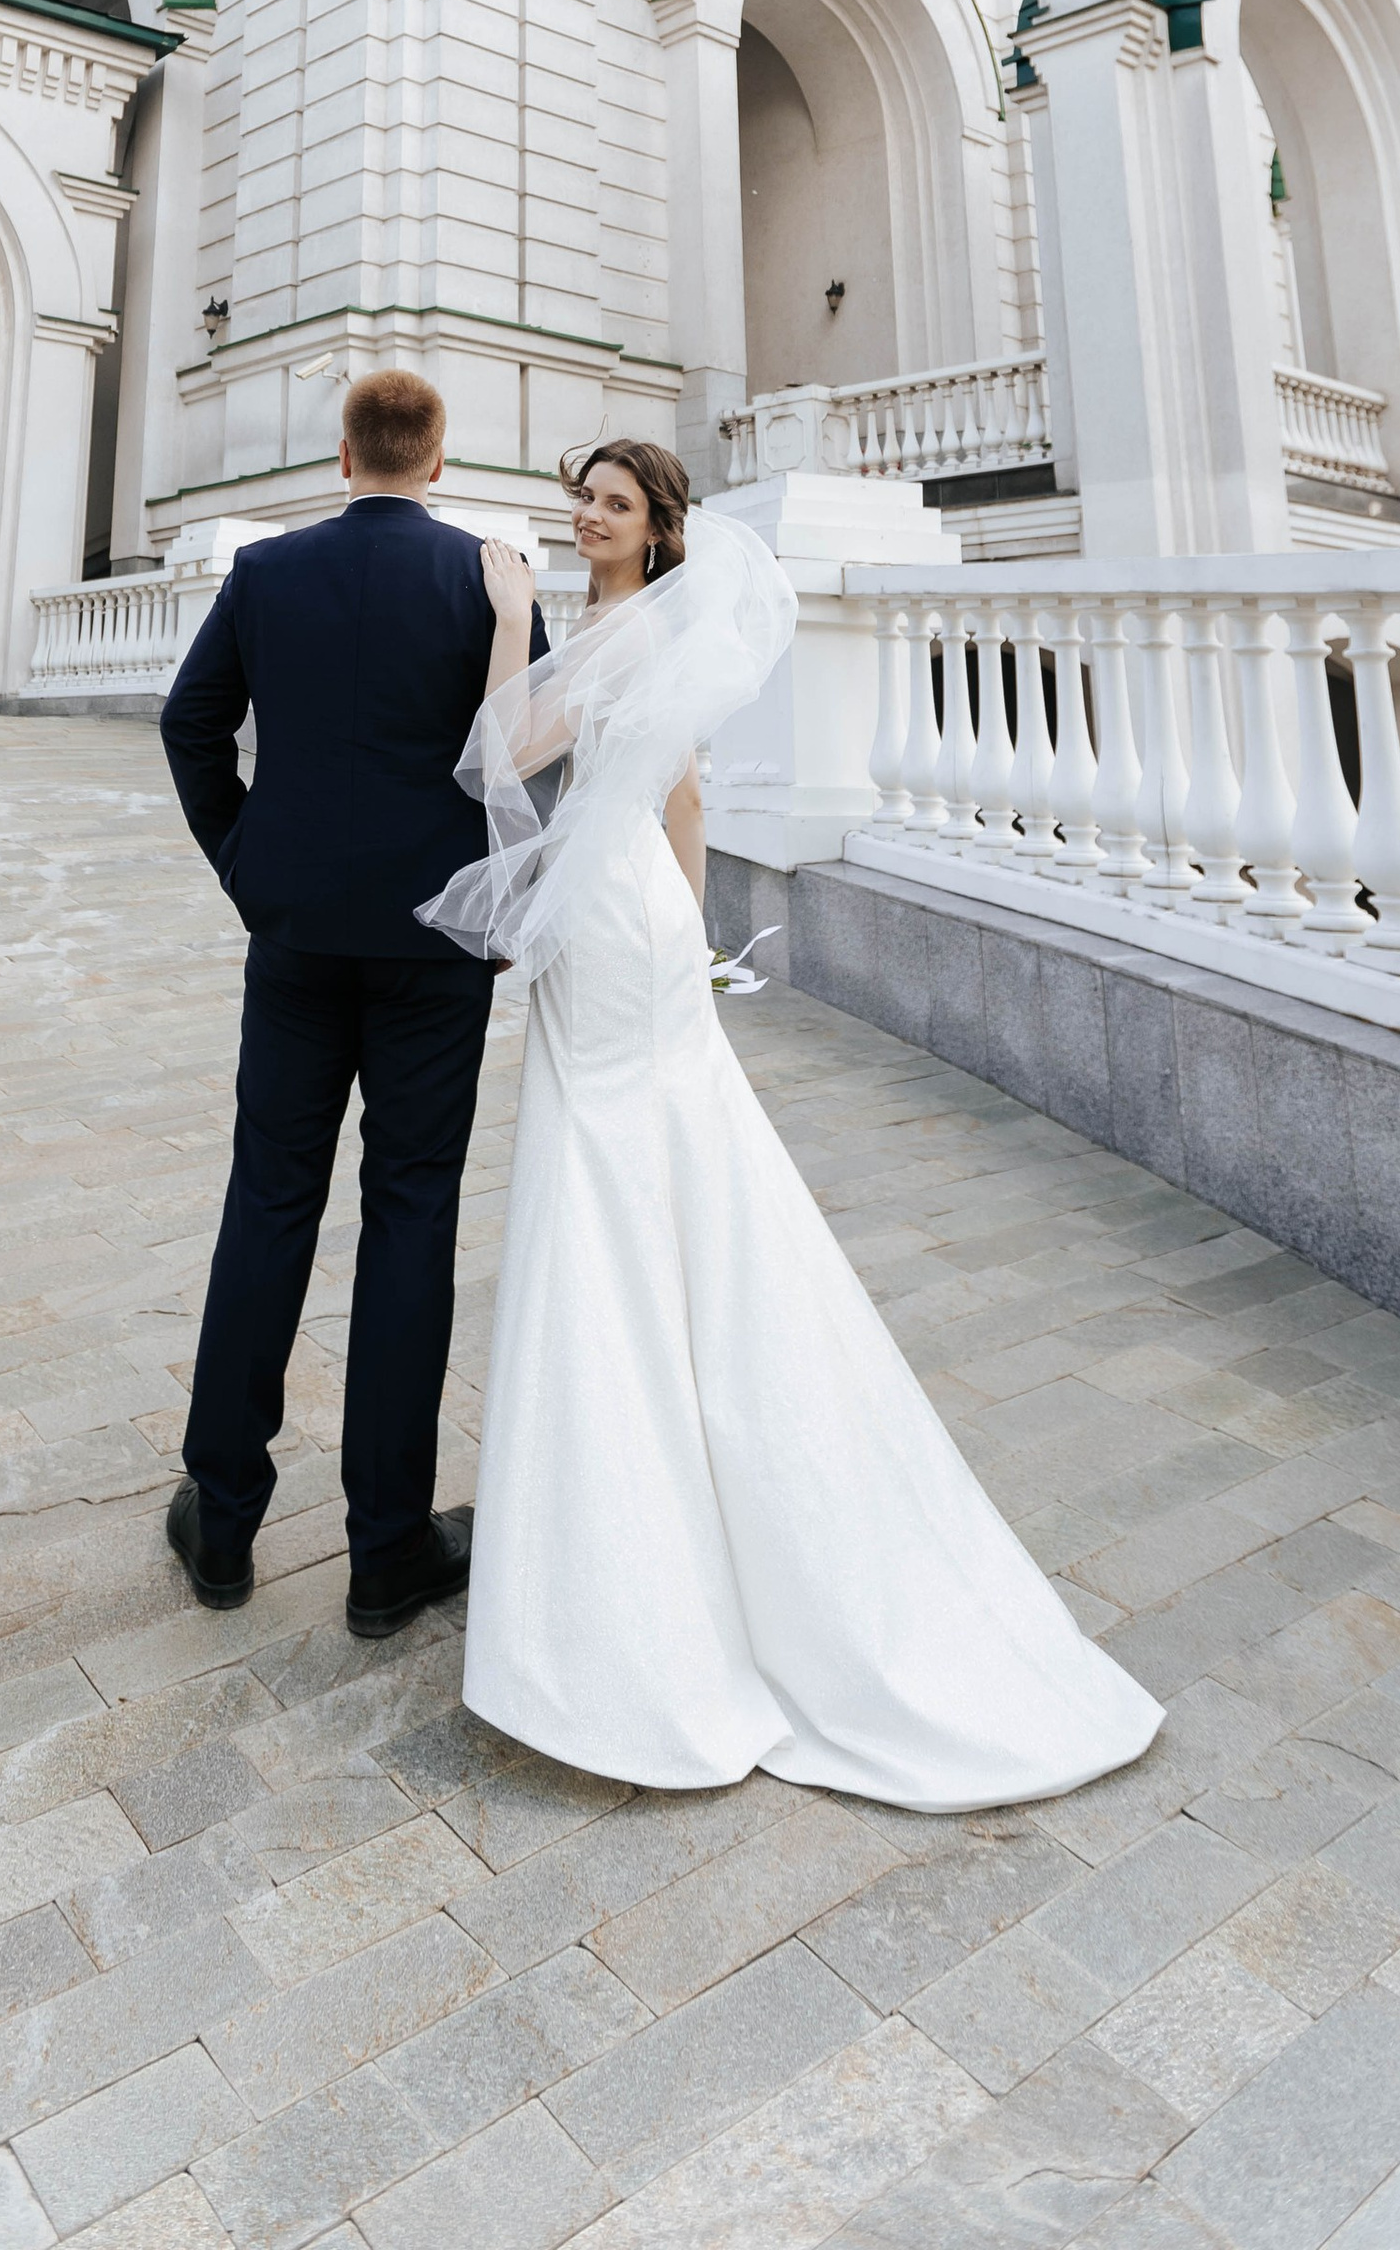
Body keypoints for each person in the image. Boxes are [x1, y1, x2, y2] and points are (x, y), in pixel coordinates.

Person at [423, 438, 1162, 1810]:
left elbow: (500, 758)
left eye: (614, 504)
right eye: (582, 498)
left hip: (613, 921)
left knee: (605, 1181)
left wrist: (509, 615)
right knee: (667, 1165)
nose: (587, 516)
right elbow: (684, 797)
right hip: (643, 911)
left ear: (659, 529)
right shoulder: (647, 629)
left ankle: (631, 1523)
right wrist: (693, 939)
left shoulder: (621, 630)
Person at [157, 367, 547, 1643]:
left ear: (343, 456)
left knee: (268, 1202)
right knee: (411, 1215)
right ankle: (385, 1550)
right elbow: (528, 764)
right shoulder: (487, 579)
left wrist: (245, 861)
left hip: (298, 936)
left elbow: (189, 725)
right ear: (437, 461)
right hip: (435, 941)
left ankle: (222, 1518)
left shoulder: (266, 572)